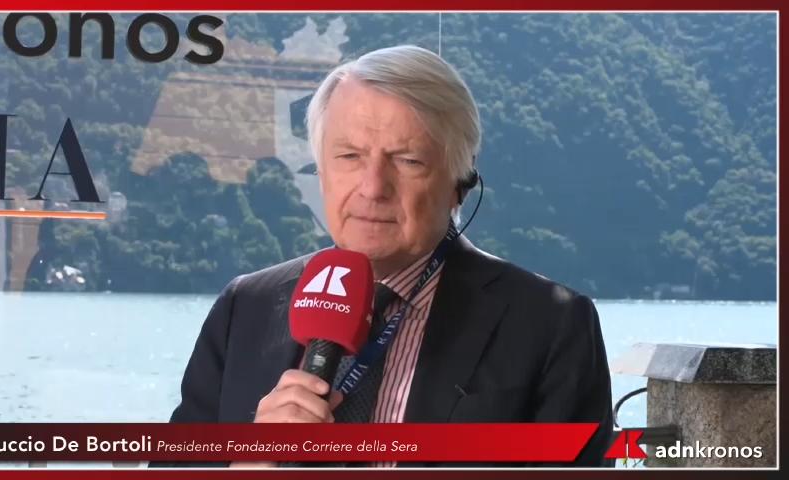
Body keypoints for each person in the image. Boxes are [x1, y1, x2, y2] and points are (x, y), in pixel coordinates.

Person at [164, 45, 613, 467]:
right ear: (320, 172)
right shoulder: (246, 307)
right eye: (349, 156)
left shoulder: (550, 325)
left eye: (408, 160)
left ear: (460, 182)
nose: (373, 187)